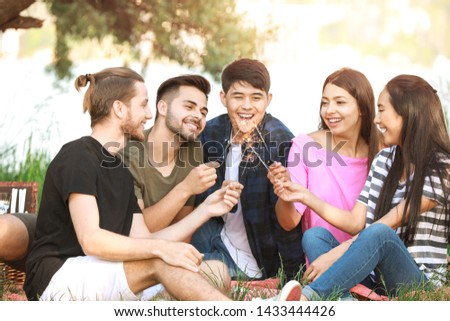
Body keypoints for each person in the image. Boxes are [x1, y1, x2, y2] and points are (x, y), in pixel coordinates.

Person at [23, 67, 244, 301]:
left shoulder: (119, 170)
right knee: (160, 262)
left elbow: (145, 239)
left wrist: (206, 209)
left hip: (104, 271)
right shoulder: (78, 155)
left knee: (217, 271)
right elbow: (91, 240)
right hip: (58, 275)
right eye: (143, 105)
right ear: (119, 109)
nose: (149, 114)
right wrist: (161, 251)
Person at [273, 74, 450, 300]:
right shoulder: (385, 159)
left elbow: (387, 224)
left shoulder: (442, 168)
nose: (376, 120)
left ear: (407, 114)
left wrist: (336, 254)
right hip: (377, 278)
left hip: (417, 281)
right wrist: (306, 196)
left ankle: (308, 298)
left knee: (380, 233)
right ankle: (344, 302)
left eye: (382, 110)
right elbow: (356, 221)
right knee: (315, 236)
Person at [191, 58, 304, 281]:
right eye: (238, 96)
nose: (246, 106)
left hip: (254, 258)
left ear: (268, 100)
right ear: (223, 98)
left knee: (186, 272)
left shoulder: (279, 141)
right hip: (218, 233)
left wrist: (290, 276)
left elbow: (288, 224)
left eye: (256, 97)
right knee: (172, 247)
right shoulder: (213, 131)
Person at [268, 68, 378, 277]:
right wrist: (285, 196)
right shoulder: (305, 146)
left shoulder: (381, 151)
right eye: (325, 102)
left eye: (340, 102)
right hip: (323, 255)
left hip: (370, 257)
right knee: (314, 237)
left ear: (362, 107)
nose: (329, 110)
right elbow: (288, 222)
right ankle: (343, 294)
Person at [121, 75, 218, 238]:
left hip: (168, 248)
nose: (199, 116)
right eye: (189, 107)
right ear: (163, 108)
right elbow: (138, 234)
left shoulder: (193, 150)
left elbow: (183, 229)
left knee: (218, 264)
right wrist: (186, 188)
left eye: (203, 112)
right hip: (127, 250)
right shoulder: (127, 153)